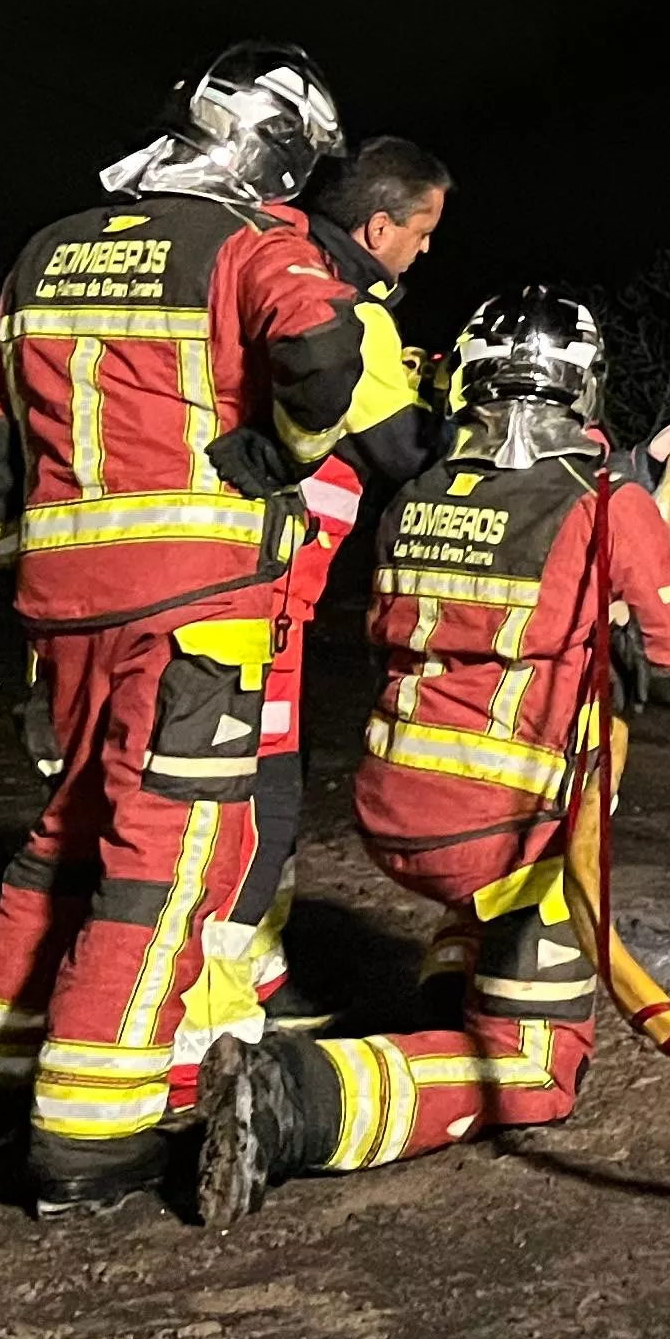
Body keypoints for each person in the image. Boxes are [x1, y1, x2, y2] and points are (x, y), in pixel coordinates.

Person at [0, 43, 373, 1212]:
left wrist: (20, 556)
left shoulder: (46, 250)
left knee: (60, 841)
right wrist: (279, 456)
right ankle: (90, 1142)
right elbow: (324, 350)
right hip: (194, 610)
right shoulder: (249, 243)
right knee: (164, 868)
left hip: (61, 612)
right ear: (272, 149)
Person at [198, 287, 670, 1222]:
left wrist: (644, 473)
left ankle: (450, 1003)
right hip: (501, 829)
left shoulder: (422, 494)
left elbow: (523, 526)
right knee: (535, 1072)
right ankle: (291, 1103)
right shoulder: (606, 508)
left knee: (494, 904)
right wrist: (639, 577)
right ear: (583, 388)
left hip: (395, 814)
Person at [229, 137, 456, 1023]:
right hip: (263, 592)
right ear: (377, 225)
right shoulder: (350, 315)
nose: (426, 250)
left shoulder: (268, 270)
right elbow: (405, 453)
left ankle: (252, 972)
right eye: (423, 231)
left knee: (239, 788)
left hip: (241, 582)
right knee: (260, 794)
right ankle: (231, 995)